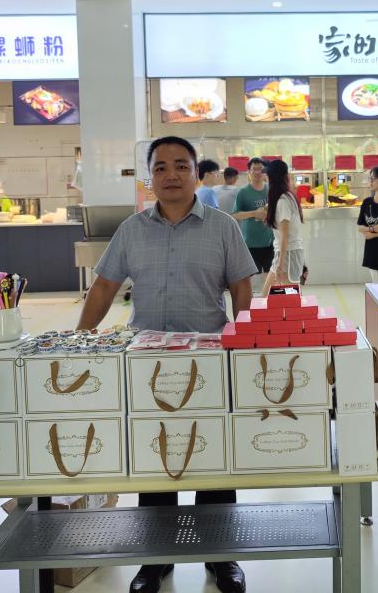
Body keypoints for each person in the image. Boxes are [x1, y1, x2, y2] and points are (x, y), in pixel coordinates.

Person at [77, 135, 255, 593]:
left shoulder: (222, 227)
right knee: (154, 458)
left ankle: (221, 556)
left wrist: (246, 341)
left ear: (196, 173)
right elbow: (104, 287)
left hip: (209, 363)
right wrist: (79, 341)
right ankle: (154, 558)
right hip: (146, 365)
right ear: (150, 177)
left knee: (214, 458)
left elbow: (241, 287)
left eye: (180, 165)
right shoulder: (132, 229)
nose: (171, 175)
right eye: (160, 167)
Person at [262, 159, 306, 295]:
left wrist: (280, 266)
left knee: (288, 297)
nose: (265, 179)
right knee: (269, 296)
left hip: (288, 255)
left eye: (267, 176)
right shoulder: (286, 197)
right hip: (287, 253)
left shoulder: (283, 201)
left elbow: (285, 236)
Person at [231, 158, 272, 279]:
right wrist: (254, 213)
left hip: (270, 241)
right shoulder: (243, 192)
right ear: (249, 171)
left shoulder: (271, 189)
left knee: (270, 277)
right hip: (251, 243)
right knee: (249, 279)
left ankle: (267, 293)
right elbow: (235, 214)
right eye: (254, 169)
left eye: (261, 169)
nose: (258, 172)